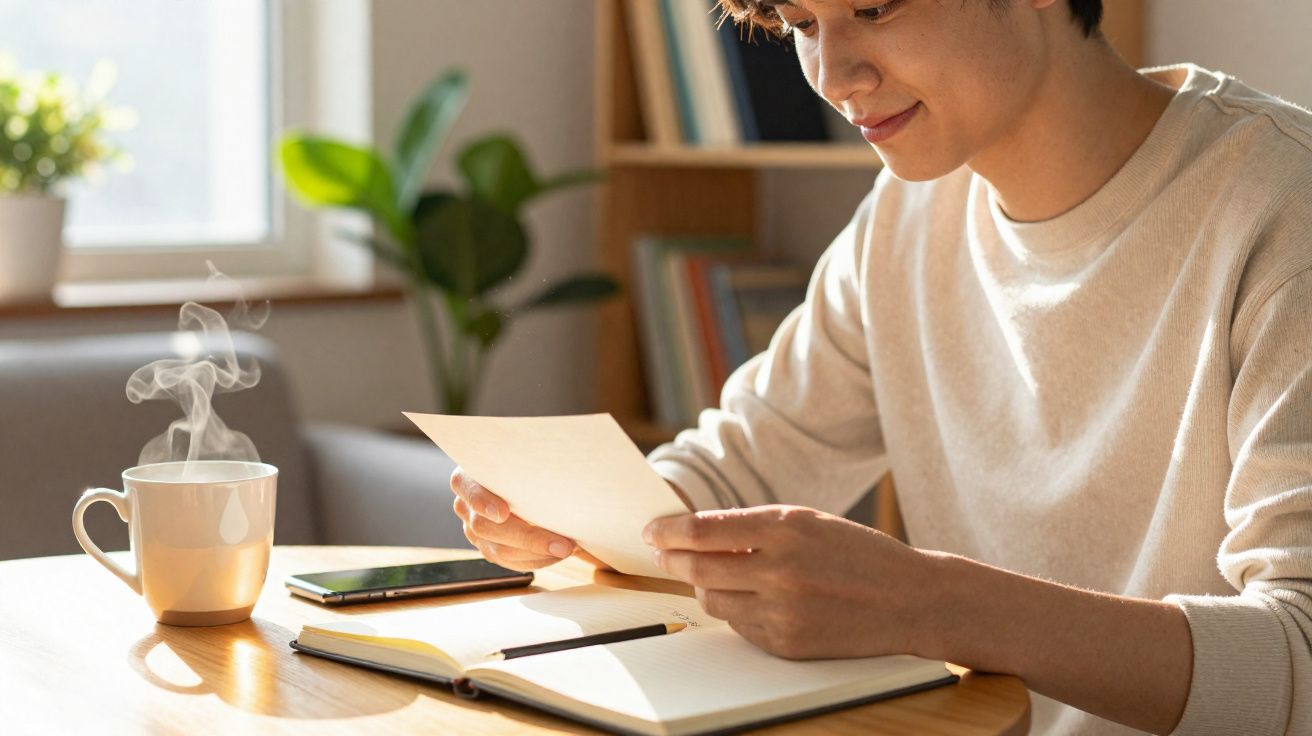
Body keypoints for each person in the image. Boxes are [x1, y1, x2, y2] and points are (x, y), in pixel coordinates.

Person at [449, 0, 1312, 733]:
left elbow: (1301, 659)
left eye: (873, 8)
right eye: (798, 22)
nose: (833, 74)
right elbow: (742, 464)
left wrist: (928, 604)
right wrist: (575, 517)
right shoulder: (908, 212)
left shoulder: (1281, 210)